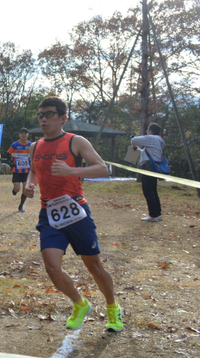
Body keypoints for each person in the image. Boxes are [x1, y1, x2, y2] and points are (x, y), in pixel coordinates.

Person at [24, 96, 123, 333]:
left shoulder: (75, 141)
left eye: (49, 114)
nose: (44, 119)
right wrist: (30, 184)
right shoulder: (34, 146)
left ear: (63, 118)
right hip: (49, 212)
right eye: (40, 115)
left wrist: (72, 170)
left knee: (94, 267)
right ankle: (80, 304)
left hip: (76, 211)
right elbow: (34, 172)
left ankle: (113, 308)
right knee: (52, 267)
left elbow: (102, 169)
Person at [131, 123, 165, 222]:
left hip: (147, 166)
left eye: (148, 131)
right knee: (153, 190)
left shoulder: (151, 138)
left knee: (148, 190)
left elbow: (134, 140)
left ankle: (153, 215)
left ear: (151, 131)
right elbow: (151, 153)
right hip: (155, 166)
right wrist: (139, 150)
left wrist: (133, 148)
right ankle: (157, 213)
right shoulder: (161, 140)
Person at [8, 128, 32, 212]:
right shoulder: (14, 145)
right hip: (16, 170)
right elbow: (8, 154)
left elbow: (34, 156)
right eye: (22, 133)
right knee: (17, 189)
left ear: (28, 135)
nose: (24, 135)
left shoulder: (31, 145)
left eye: (25, 133)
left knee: (26, 189)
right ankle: (14, 190)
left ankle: (21, 206)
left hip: (26, 170)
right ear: (19, 135)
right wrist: (10, 162)